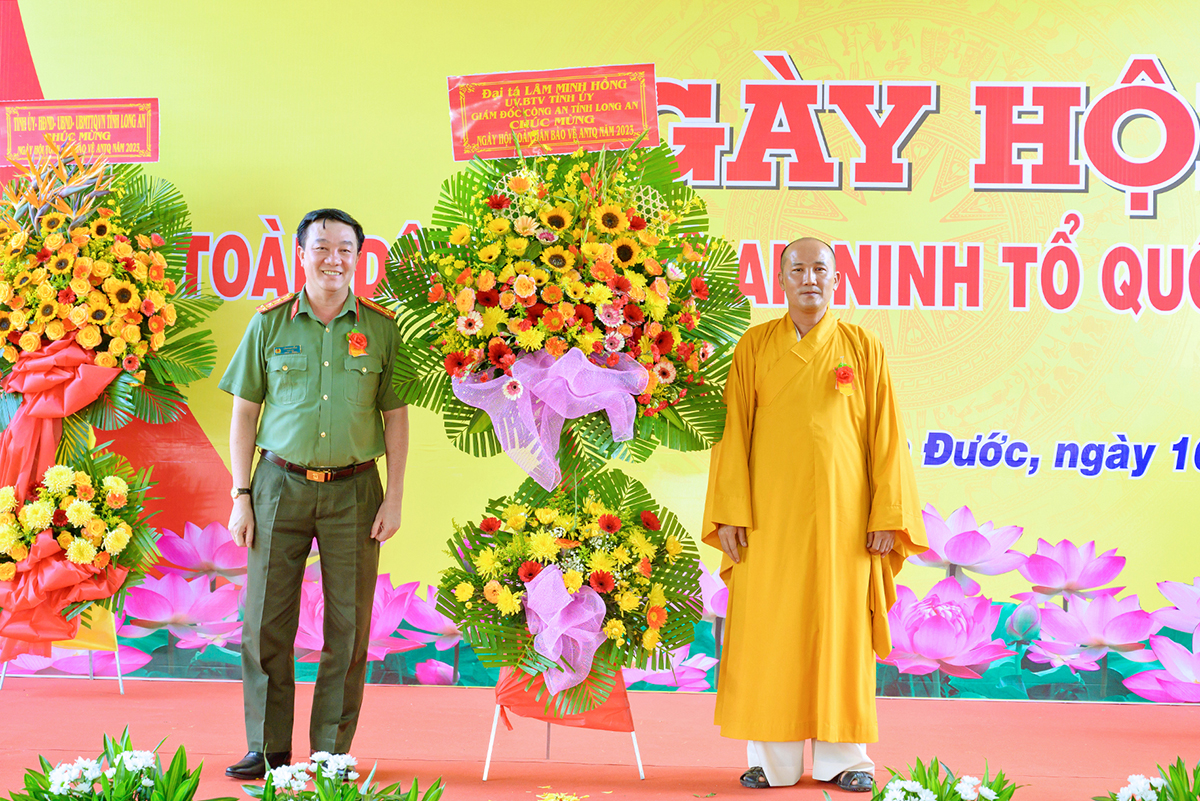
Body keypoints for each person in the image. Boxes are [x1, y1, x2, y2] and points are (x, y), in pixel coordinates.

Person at [701, 237, 926, 792]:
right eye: (797, 269)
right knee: (771, 628)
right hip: (768, 519)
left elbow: (887, 435)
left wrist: (886, 514)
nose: (809, 279)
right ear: (780, 279)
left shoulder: (862, 346)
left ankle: (844, 759)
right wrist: (730, 512)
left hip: (844, 522)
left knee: (840, 630)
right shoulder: (754, 346)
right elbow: (733, 433)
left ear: (836, 279)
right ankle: (772, 760)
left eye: (819, 269)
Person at [219, 208, 409, 779]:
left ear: (359, 257)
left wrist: (395, 497)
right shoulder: (270, 324)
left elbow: (396, 417)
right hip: (278, 485)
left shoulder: (381, 329)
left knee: (348, 627)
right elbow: (244, 412)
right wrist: (241, 493)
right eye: (321, 247)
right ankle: (266, 748)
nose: (333, 258)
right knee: (264, 622)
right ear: (300, 254)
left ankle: (331, 751)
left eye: (345, 248)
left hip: (356, 490)